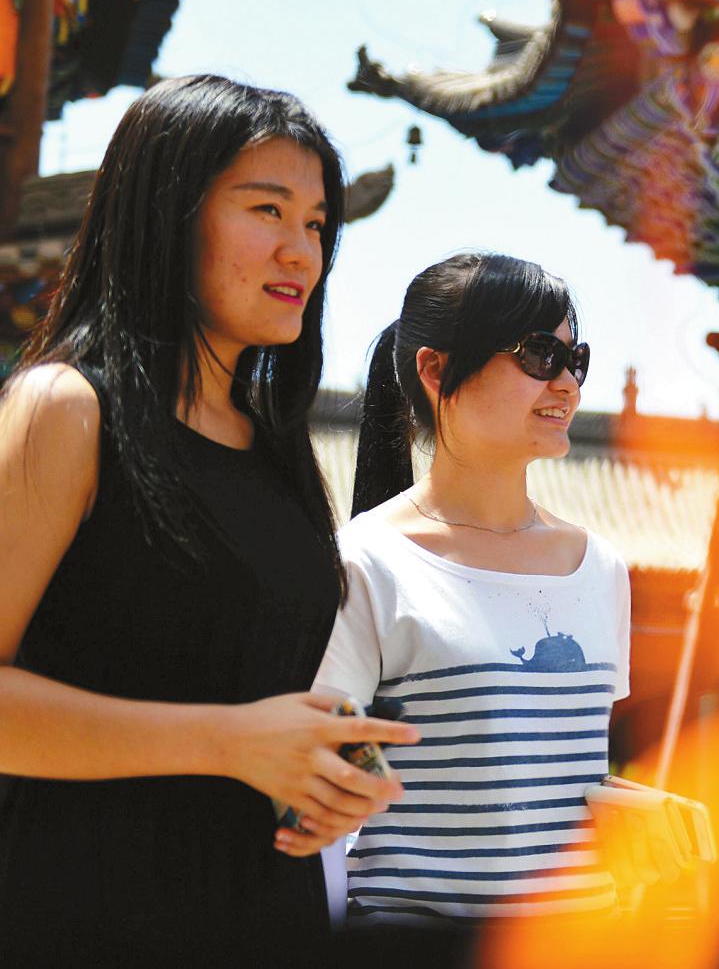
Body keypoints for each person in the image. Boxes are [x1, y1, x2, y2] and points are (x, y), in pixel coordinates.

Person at [0, 75, 418, 948]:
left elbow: (249, 689)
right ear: (167, 213)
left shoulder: (277, 449)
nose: (301, 253)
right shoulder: (66, 409)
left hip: (265, 914)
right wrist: (228, 742)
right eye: (268, 210)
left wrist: (329, 769)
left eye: (317, 225)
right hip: (84, 915)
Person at [315, 252, 631, 926]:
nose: (566, 384)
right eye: (540, 355)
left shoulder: (599, 567)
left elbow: (560, 770)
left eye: (575, 360)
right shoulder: (367, 562)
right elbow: (325, 783)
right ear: (435, 371)